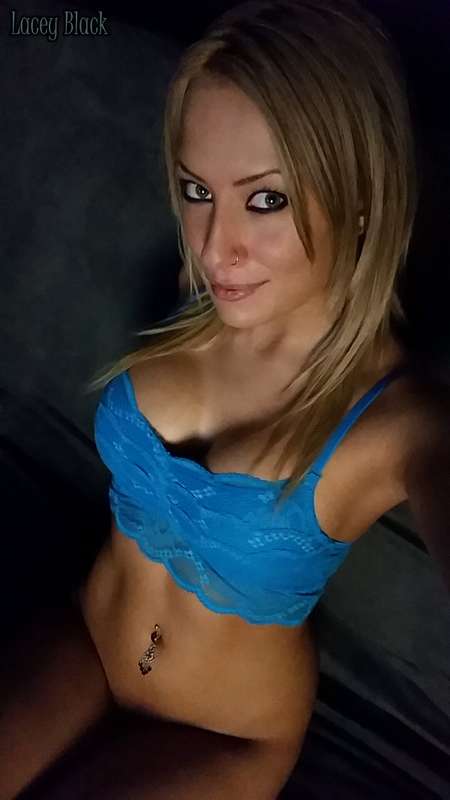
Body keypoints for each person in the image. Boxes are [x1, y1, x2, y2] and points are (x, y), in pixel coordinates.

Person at [1, 1, 444, 798]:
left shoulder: (399, 421)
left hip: (225, 735)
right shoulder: (203, 292)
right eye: (197, 189)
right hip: (88, 640)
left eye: (266, 199)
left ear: (360, 197)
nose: (214, 245)